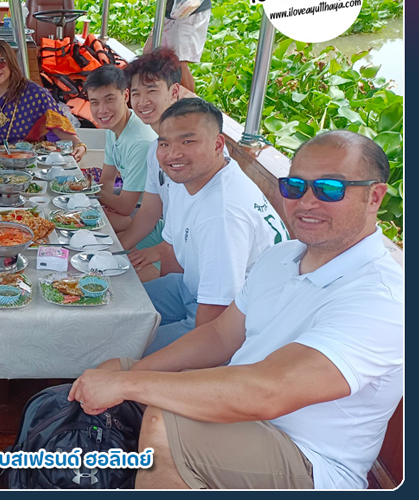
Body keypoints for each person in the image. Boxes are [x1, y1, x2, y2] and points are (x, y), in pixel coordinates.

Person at [70, 130, 403, 489]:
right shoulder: (282, 257)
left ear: (374, 197)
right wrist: (128, 372)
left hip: (311, 462)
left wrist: (129, 383)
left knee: (165, 421)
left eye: (330, 189)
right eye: (294, 187)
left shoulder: (382, 298)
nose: (307, 202)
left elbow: (270, 390)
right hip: (245, 420)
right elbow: (220, 335)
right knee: (116, 368)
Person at [140, 98, 286, 355]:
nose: (173, 154)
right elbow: (171, 247)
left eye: (187, 142)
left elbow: (216, 324)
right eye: (164, 143)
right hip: (191, 289)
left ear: (218, 144)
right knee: (118, 310)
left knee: (126, 348)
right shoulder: (187, 179)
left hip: (237, 321)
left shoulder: (222, 213)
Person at [116, 48, 184, 281]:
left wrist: (161, 253)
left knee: (127, 282)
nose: (142, 101)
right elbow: (149, 211)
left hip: (192, 249)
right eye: (136, 93)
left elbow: (197, 225)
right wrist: (117, 248)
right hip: (168, 234)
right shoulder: (155, 148)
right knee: (109, 260)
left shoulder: (191, 150)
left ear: (174, 92)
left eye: (152, 90)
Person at [0, 39, 88, 162]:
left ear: (11, 62)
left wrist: (78, 144)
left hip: (33, 162)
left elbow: (58, 125)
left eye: (0, 62)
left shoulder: (35, 94)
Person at [85, 65, 157, 236]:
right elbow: (107, 179)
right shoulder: (114, 128)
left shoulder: (140, 143)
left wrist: (88, 189)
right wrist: (98, 197)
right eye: (95, 102)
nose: (102, 110)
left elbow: (125, 207)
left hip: (148, 214)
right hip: (128, 201)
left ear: (125, 96)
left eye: (109, 99)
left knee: (82, 220)